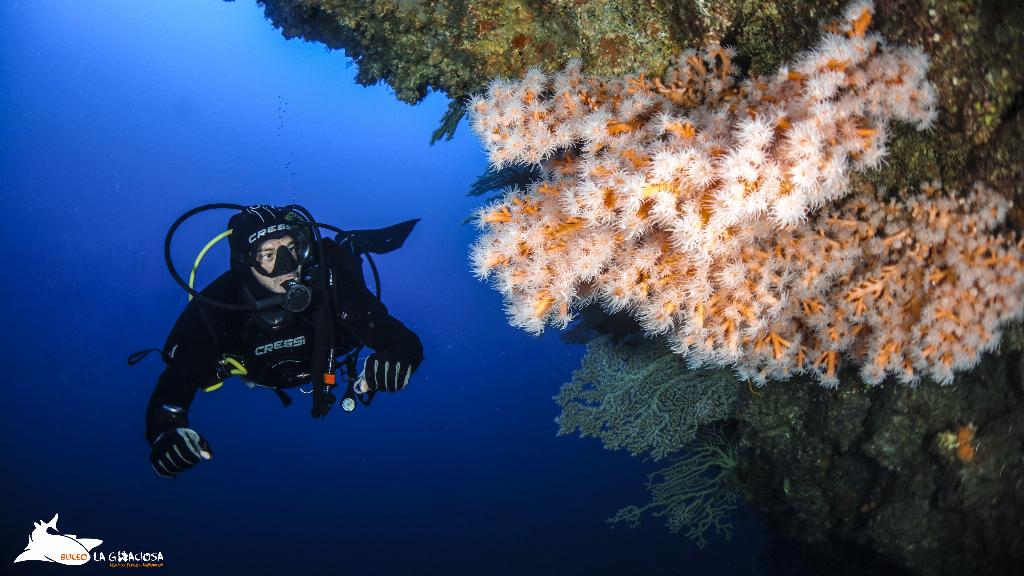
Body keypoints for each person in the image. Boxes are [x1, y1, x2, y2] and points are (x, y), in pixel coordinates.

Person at [144, 205, 423, 478]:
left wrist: (397, 359)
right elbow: (174, 384)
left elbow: (402, 340)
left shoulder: (330, 286)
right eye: (268, 254)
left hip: (333, 341)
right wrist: (165, 431)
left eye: (291, 248)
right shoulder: (217, 305)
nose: (287, 266)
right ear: (245, 262)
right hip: (257, 368)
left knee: (342, 262)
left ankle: (349, 245)